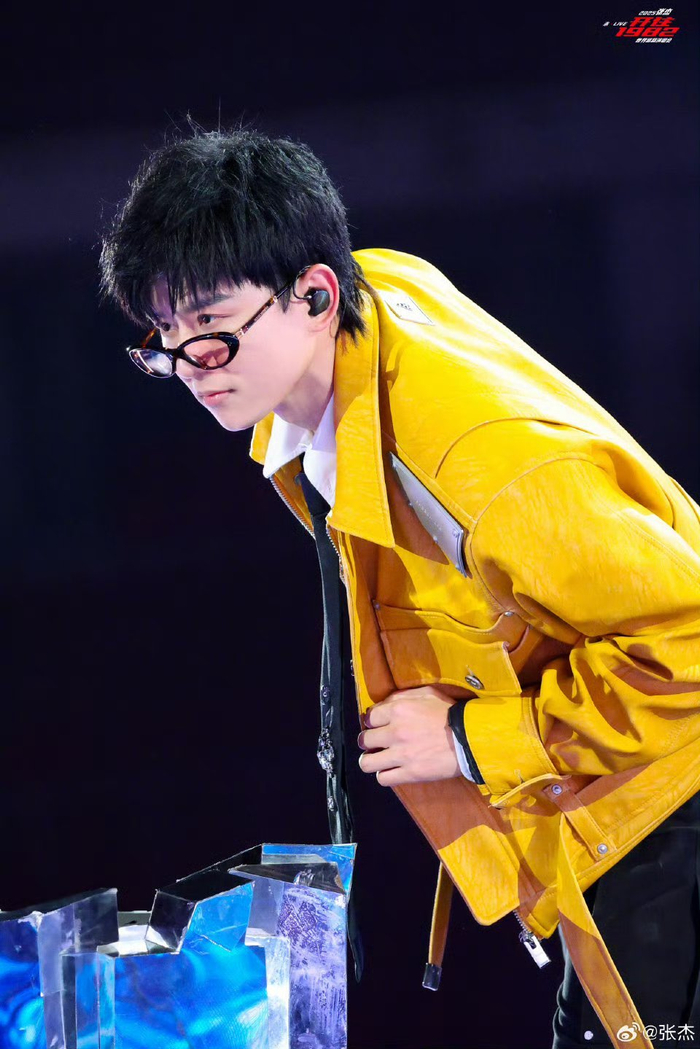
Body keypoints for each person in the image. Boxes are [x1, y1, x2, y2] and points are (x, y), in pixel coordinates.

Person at [99, 128, 700, 1049]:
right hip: (617, 819)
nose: (188, 367)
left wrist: (466, 738)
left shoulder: (476, 465)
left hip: (669, 821)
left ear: (315, 295)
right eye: (164, 337)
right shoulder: (362, 321)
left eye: (211, 329)